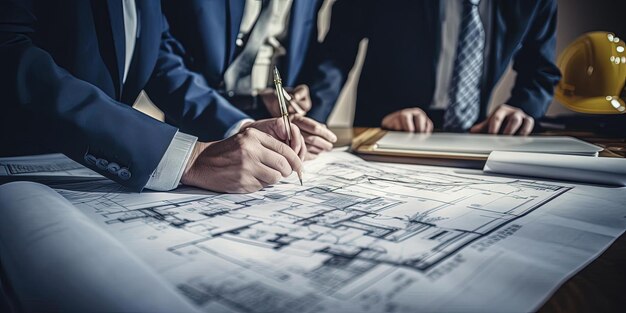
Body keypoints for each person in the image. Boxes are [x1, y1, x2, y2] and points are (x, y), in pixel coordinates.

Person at [0, 0, 307, 193]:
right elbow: (9, 52)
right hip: (21, 169)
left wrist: (239, 127)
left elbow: (161, 58)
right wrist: (187, 157)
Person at [307, 0, 562, 136]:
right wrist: (309, 125)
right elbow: (335, 54)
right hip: (384, 128)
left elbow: (539, 69)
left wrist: (522, 108)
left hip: (475, 134)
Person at [162, 0, 337, 159]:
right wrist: (236, 123)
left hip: (277, 123)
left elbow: (304, 47)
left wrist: (297, 102)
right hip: (197, 122)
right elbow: (164, 55)